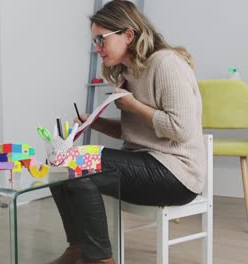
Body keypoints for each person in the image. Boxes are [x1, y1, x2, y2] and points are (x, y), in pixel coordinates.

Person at [46, 1, 206, 264]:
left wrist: (133, 105)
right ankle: (79, 247)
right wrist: (95, 122)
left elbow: (182, 130)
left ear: (128, 35)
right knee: (61, 164)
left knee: (79, 163)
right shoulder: (130, 72)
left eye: (101, 39)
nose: (97, 48)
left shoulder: (166, 64)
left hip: (177, 173)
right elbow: (136, 132)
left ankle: (101, 260)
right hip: (144, 164)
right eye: (94, 41)